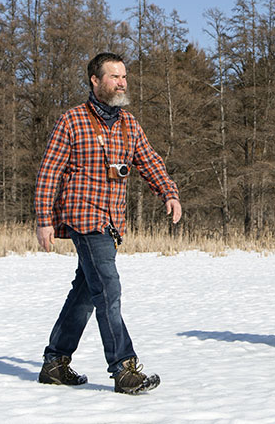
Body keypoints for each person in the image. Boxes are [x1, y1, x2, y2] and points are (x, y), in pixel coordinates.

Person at [34, 52, 183, 394]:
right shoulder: (72, 121)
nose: (121, 83)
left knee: (87, 292)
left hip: (112, 222)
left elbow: (150, 161)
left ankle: (55, 362)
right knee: (109, 289)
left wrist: (169, 194)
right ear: (95, 81)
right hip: (84, 218)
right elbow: (49, 172)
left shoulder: (128, 124)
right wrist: (44, 219)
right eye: (114, 77)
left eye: (124, 77)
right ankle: (124, 368)